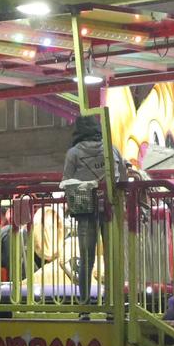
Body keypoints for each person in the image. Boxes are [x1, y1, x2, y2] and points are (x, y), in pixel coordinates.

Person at [62, 113, 114, 305]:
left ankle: (84, 305)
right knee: (111, 258)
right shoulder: (111, 150)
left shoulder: (74, 153)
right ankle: (111, 303)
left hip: (85, 210)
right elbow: (122, 176)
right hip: (110, 210)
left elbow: (66, 180)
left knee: (86, 260)